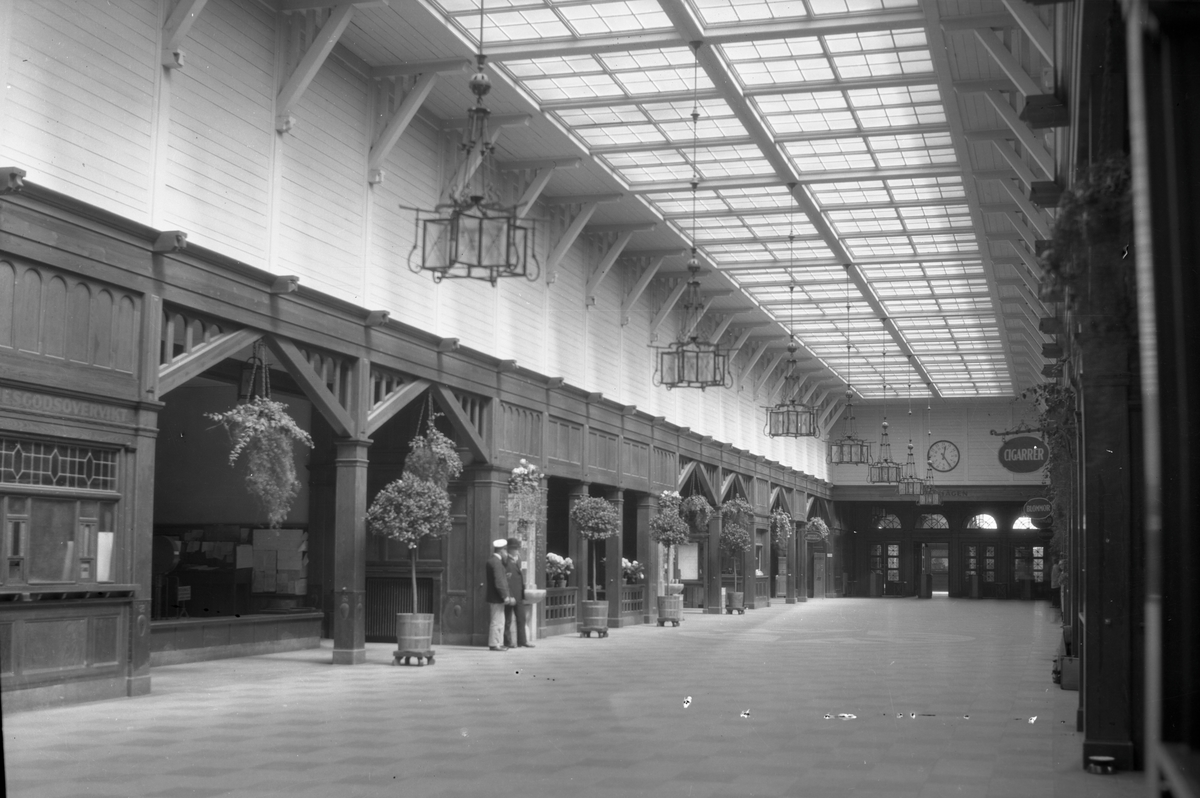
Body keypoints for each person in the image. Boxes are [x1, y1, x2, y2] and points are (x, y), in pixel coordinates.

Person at [504, 538, 534, 648]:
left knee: (521, 618)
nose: (517, 551)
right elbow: (506, 580)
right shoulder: (506, 562)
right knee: (507, 619)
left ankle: (522, 641)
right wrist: (509, 595)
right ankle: (507, 642)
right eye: (515, 549)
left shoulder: (517, 560)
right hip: (511, 595)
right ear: (510, 550)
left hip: (519, 595)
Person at [485, 538, 514, 651]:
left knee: (499, 621)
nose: (506, 553)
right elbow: (499, 581)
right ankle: (494, 643)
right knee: (497, 621)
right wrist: (505, 596)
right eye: (505, 551)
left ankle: (498, 642)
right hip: (496, 597)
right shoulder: (496, 562)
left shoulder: (493, 561)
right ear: (502, 550)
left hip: (496, 596)